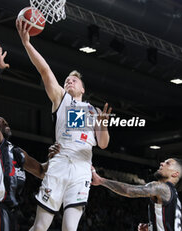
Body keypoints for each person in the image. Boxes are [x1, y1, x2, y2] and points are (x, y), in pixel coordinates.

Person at [16, 20, 111, 231]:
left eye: (74, 80)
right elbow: (45, 70)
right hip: (60, 163)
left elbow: (103, 144)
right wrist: (27, 44)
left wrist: (103, 126)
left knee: (70, 228)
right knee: (41, 226)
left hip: (82, 168)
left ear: (83, 89)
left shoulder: (94, 111)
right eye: (67, 80)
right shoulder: (61, 99)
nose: (69, 82)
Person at [0, 43, 60, 231]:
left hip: (10, 212)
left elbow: (41, 171)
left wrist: (54, 157)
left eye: (6, 122)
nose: (5, 123)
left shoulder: (17, 152)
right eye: (0, 121)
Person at [92, 158, 182, 231]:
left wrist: (101, 181)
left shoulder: (161, 188)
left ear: (175, 174)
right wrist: (150, 228)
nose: (162, 163)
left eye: (167, 163)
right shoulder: (175, 196)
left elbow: (129, 191)